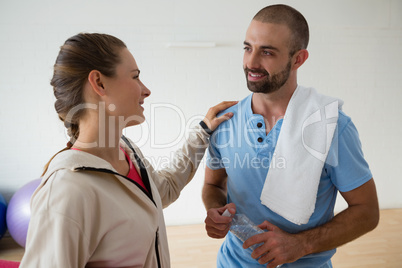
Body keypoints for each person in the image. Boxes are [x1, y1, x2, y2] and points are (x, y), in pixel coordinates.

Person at [19, 33, 237, 268]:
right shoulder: (67, 191)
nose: (146, 90)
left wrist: (202, 132)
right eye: (135, 77)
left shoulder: (126, 151)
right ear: (99, 83)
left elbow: (164, 189)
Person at [202, 4, 379, 268]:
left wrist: (301, 244)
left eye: (267, 52)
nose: (251, 62)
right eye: (247, 48)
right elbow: (213, 186)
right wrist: (215, 210)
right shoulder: (224, 121)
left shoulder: (332, 127)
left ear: (298, 59)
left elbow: (367, 212)